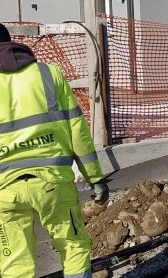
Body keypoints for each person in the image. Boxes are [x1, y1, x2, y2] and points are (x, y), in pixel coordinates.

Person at [0, 23, 108, 278]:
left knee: (14, 263)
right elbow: (77, 132)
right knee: (72, 247)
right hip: (53, 182)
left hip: (5, 188)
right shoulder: (49, 74)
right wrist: (95, 177)